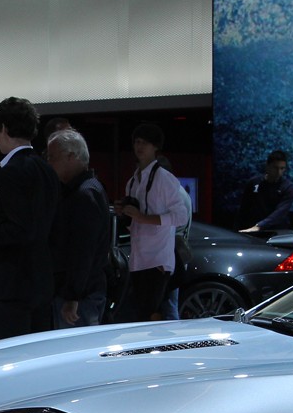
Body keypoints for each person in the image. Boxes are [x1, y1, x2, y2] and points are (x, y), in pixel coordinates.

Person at [0, 96, 57, 340]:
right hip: (42, 280)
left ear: (3, 128)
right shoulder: (46, 169)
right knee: (39, 358)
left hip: (15, 285)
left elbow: (19, 230)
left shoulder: (12, 170)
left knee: (13, 360)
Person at [111, 123, 189, 322]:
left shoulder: (165, 179)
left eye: (144, 143)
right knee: (141, 317)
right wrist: (126, 214)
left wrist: (141, 217)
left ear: (155, 147)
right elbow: (133, 223)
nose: (139, 146)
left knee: (150, 316)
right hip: (138, 258)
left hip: (157, 260)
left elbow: (181, 217)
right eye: (137, 142)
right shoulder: (133, 181)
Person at [46, 128, 110, 328]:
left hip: (80, 297)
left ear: (72, 157)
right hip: (82, 292)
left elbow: (83, 251)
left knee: (74, 353)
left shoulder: (84, 195)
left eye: (53, 157)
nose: (49, 162)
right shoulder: (87, 190)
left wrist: (72, 296)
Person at [238, 150, 293, 234]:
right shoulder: (254, 183)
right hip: (252, 230)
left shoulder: (288, 187)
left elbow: (280, 213)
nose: (278, 172)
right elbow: (243, 209)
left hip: (277, 232)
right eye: (275, 168)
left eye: (282, 168)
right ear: (267, 166)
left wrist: (259, 226)